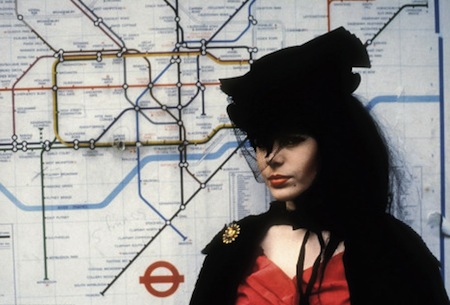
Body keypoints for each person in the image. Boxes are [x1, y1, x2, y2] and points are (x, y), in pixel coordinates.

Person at [189, 27, 450, 305]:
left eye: (292, 140)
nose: (271, 158)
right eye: (262, 142)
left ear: (331, 143)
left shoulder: (393, 251)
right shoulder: (234, 247)